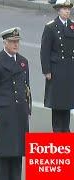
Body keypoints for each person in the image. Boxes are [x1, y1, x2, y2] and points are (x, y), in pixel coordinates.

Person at [0, 27, 31, 180]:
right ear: (5, 43)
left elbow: (26, 87)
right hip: (4, 112)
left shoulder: (23, 62)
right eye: (12, 42)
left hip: (19, 112)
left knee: (18, 152)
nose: (16, 45)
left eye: (17, 42)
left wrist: (27, 109)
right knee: (5, 153)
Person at [40, 0, 74, 132]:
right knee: (57, 102)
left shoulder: (72, 26)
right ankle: (57, 130)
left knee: (67, 102)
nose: (67, 11)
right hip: (56, 70)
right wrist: (46, 70)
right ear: (58, 10)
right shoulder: (51, 27)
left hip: (70, 69)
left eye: (68, 9)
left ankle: (66, 130)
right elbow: (45, 51)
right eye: (64, 9)